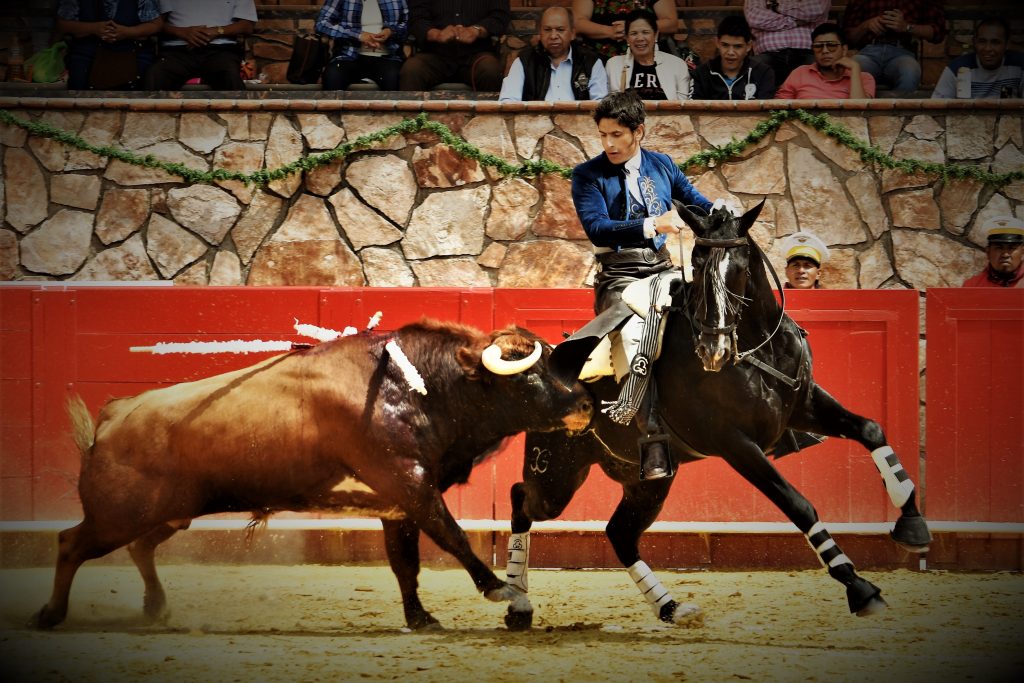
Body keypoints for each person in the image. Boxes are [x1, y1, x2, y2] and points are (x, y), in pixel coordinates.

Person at [572, 90, 713, 480]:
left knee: (715, 313)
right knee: (636, 337)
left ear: (639, 132)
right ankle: (653, 439)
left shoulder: (662, 165)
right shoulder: (588, 175)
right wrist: (653, 225)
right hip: (619, 277)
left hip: (664, 270)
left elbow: (696, 202)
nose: (609, 144)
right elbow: (596, 226)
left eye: (617, 135)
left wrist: (721, 211)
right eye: (603, 135)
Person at [499, 6, 607, 102]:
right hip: (536, 122)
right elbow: (508, 101)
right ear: (540, 33)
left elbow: (601, 104)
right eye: (547, 30)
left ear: (572, 34)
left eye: (560, 30)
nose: (553, 36)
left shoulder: (590, 61)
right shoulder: (525, 61)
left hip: (580, 123)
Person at [143, 0, 258, 90]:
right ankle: (151, 119)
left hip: (220, 50)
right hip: (177, 51)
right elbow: (154, 23)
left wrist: (217, 31)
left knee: (229, 75)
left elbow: (247, 25)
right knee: (155, 74)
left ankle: (236, 119)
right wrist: (182, 32)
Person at [841, 0, 945, 98]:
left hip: (902, 52)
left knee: (910, 70)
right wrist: (865, 25)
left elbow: (937, 33)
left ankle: (900, 114)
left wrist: (907, 27)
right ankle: (854, 114)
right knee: (850, 68)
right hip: (868, 52)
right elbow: (846, 37)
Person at [399, 0, 509, 92]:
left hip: (476, 53)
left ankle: (490, 118)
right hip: (435, 54)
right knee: (411, 70)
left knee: (490, 70)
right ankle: (412, 118)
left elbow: (500, 17)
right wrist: (436, 34)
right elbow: (416, 19)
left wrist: (477, 30)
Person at [55, 0, 164, 90]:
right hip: (86, 54)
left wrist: (127, 32)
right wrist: (94, 28)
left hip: (132, 53)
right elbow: (63, 24)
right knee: (79, 89)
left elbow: (156, 25)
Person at [315, 0, 408, 91]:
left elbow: (407, 23)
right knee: (333, 76)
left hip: (388, 57)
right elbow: (322, 24)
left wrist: (391, 32)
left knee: (394, 79)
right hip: (348, 55)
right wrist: (358, 35)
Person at [605, 8, 691, 100]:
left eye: (645, 32)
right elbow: (609, 105)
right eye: (634, 33)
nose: (640, 38)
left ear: (656, 35)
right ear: (627, 37)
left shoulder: (677, 65)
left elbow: (683, 107)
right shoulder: (613, 65)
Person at [743, 0, 830, 87]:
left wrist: (776, 6)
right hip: (768, 55)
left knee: (822, 70)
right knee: (752, 70)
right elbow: (755, 18)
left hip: (809, 53)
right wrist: (796, 21)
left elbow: (817, 9)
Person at [931, 17, 1024, 100]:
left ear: (1007, 44)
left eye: (995, 42)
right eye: (982, 41)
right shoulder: (958, 68)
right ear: (974, 42)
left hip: (1008, 118)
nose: (988, 48)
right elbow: (937, 108)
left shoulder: (1019, 66)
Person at [775, 22, 874, 99]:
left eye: (831, 45)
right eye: (818, 46)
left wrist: (855, 69)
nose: (825, 51)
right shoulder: (800, 73)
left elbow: (861, 113)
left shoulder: (864, 78)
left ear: (844, 50)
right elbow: (779, 107)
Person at [692, 14, 775, 100]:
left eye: (738, 46)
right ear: (717, 43)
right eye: (725, 45)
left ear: (749, 46)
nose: (730, 52)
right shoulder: (701, 74)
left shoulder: (763, 73)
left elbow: (765, 111)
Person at [572, 0, 678, 62]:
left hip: (646, 56)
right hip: (599, 58)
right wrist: (610, 31)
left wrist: (635, 27)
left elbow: (671, 23)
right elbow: (577, 23)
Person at [962, 216, 1024, 288]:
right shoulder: (972, 286)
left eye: (1011, 248)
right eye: (999, 248)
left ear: (1022, 252)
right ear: (988, 252)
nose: (1005, 255)